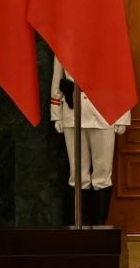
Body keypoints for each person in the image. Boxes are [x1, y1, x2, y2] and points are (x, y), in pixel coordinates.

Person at [51, 56, 131, 226]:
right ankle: (81, 225)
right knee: (77, 174)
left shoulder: (108, 45)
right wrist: (56, 114)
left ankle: (99, 225)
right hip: (73, 114)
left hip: (103, 113)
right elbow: (58, 80)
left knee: (102, 174)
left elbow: (121, 79)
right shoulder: (64, 45)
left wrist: (122, 116)